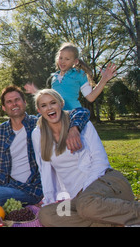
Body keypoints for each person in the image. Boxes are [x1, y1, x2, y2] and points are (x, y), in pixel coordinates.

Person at [33, 89, 140, 226]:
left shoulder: (81, 124)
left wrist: (85, 192)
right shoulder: (38, 134)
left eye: (53, 103)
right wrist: (49, 199)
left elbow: (100, 161)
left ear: (61, 103)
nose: (49, 108)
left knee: (86, 205)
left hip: (106, 183)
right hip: (79, 200)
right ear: (39, 110)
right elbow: (45, 170)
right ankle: (117, 221)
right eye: (44, 105)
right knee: (47, 214)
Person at [24, 42, 117, 110]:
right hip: (58, 116)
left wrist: (104, 79)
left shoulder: (79, 74)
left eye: (67, 59)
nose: (62, 61)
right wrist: (36, 92)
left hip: (74, 114)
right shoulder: (54, 78)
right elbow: (51, 98)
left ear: (75, 61)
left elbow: (91, 97)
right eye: (60, 58)